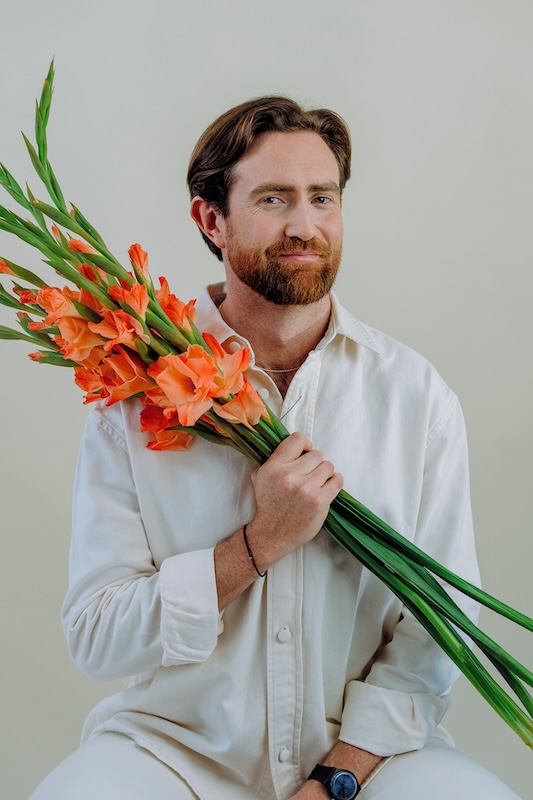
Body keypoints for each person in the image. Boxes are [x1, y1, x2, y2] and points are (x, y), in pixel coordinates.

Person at [29, 98, 521, 800]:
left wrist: (337, 777)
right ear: (211, 219)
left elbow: (437, 629)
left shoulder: (413, 395)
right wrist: (254, 546)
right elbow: (99, 637)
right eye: (273, 198)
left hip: (371, 759)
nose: (304, 225)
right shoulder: (130, 398)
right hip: (170, 755)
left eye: (323, 197)